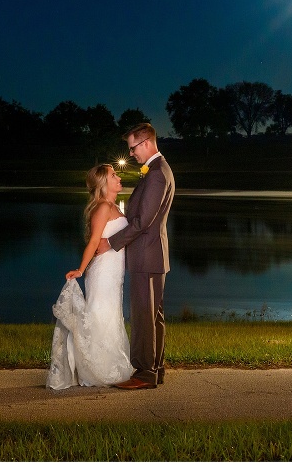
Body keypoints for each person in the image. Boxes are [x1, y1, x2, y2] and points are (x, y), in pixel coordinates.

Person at [96, 123, 175, 390]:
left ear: (146, 143)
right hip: (153, 254)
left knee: (143, 316)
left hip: (145, 255)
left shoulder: (156, 174)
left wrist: (111, 243)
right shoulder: (157, 171)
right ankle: (156, 368)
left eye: (133, 148)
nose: (131, 154)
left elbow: (142, 222)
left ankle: (144, 374)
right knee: (154, 316)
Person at [46, 164, 134, 389]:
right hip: (103, 272)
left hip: (115, 273)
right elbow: (94, 241)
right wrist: (81, 269)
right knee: (99, 314)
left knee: (110, 314)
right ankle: (94, 369)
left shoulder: (113, 205)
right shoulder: (103, 207)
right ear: (103, 184)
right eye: (114, 175)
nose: (119, 177)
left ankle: (109, 363)